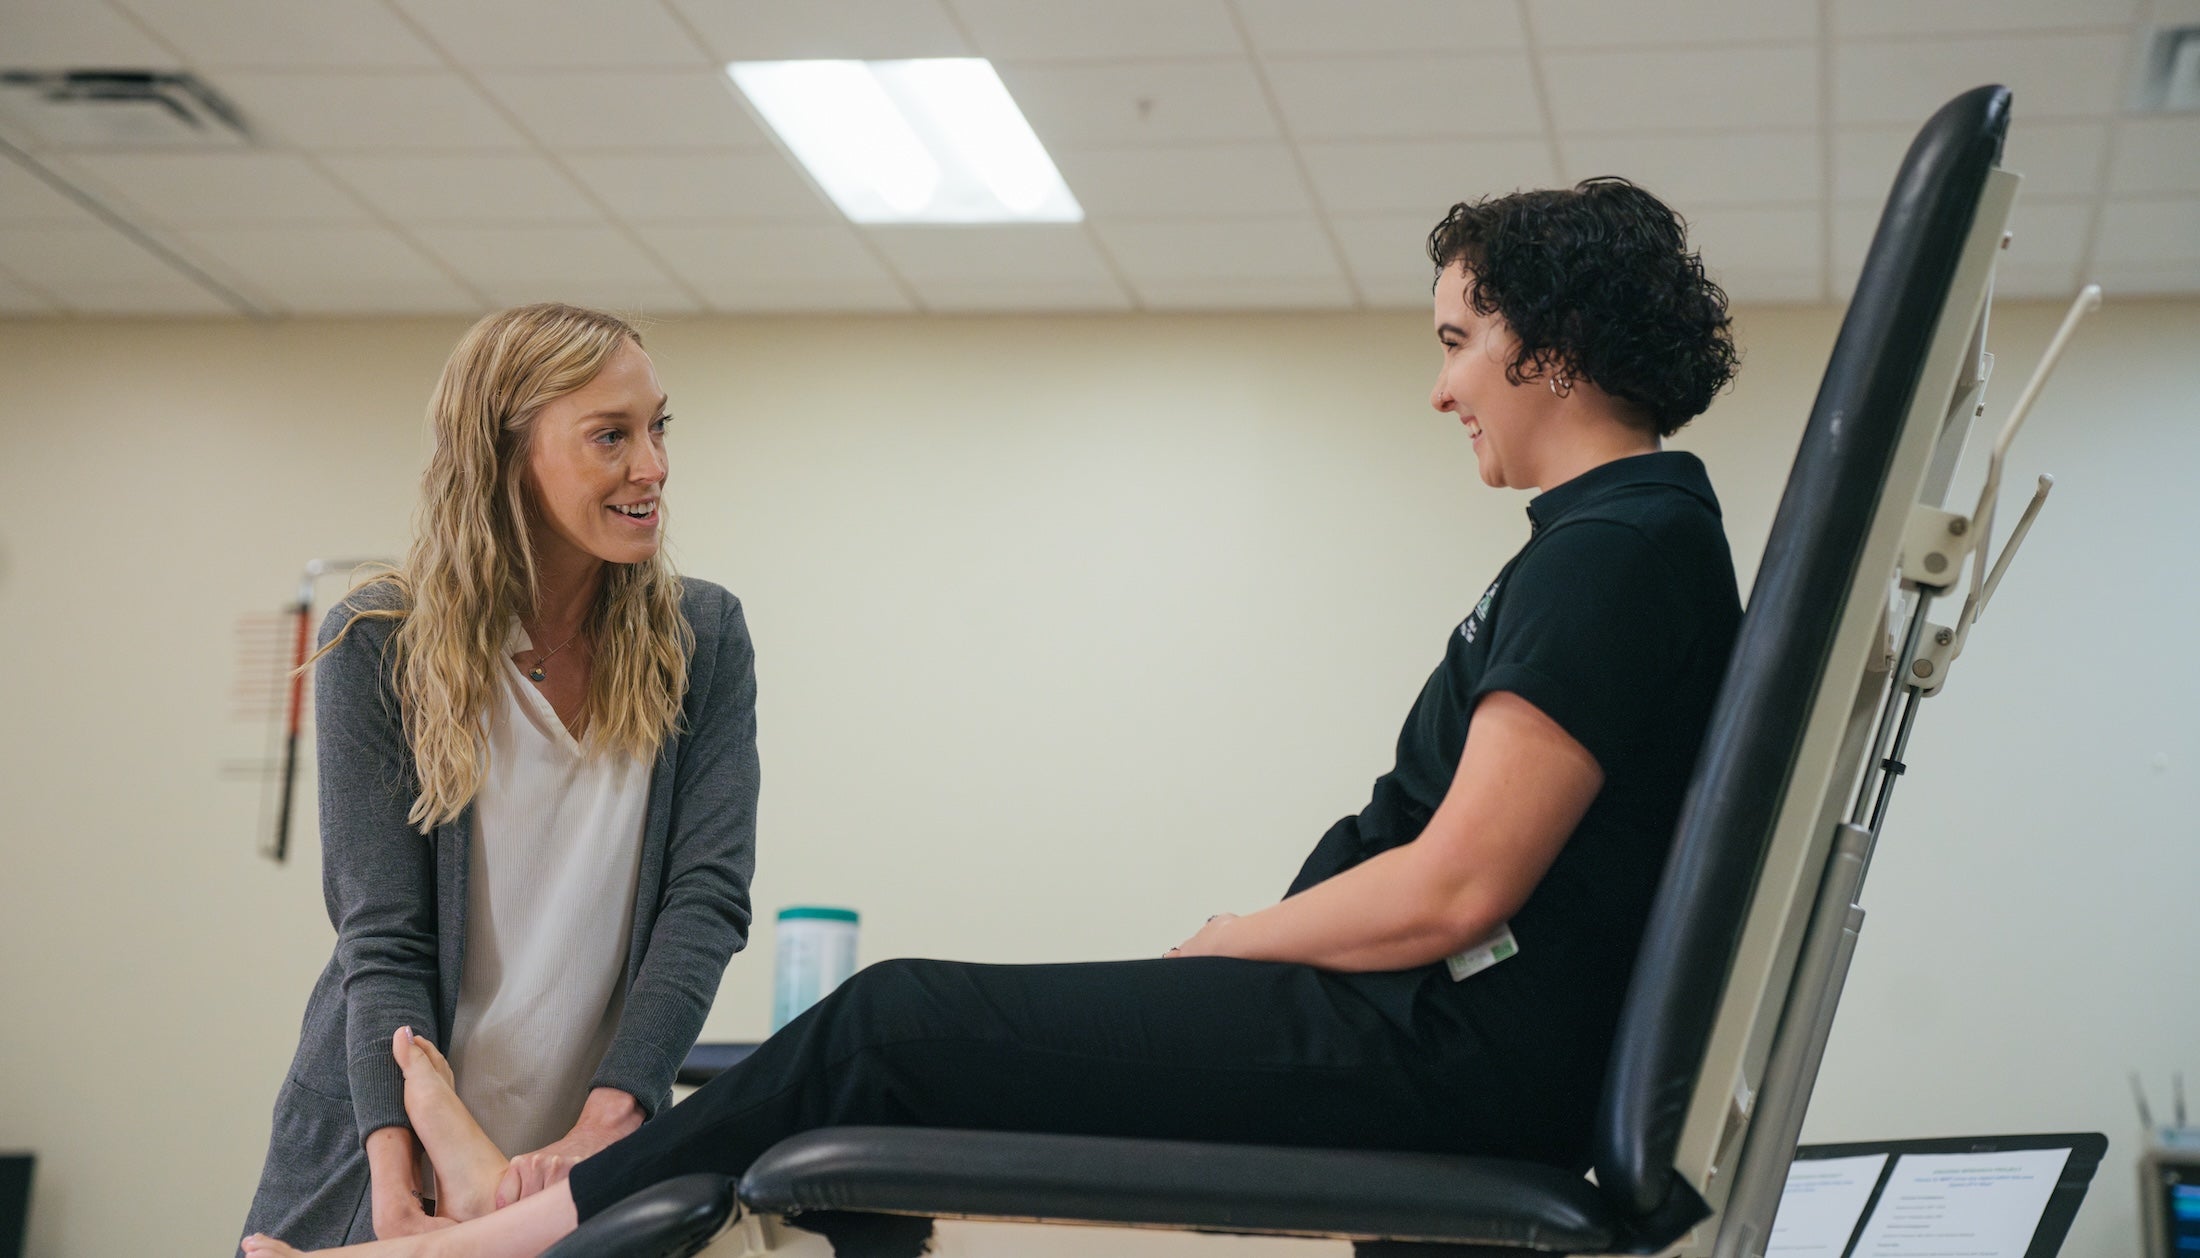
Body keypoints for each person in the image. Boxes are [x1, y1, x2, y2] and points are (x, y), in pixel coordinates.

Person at [242, 177, 1741, 1258]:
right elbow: (382, 929)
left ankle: (506, 1241)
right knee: (879, 1047)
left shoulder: (1616, 553)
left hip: (1428, 1041)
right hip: (1422, 1030)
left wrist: (1235, 941)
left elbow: (1461, 884)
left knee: (893, 1020)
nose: (1441, 387)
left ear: (1547, 343)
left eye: (1458, 339)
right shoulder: (1611, 544)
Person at [238, 304, 761, 1250]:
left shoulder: (702, 638)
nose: (654, 466)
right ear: (505, 454)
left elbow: (706, 902)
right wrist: (397, 1186)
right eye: (612, 435)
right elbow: (382, 939)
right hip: (389, 1140)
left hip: (583, 1150)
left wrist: (608, 1124)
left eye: (658, 427)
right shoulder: (380, 641)